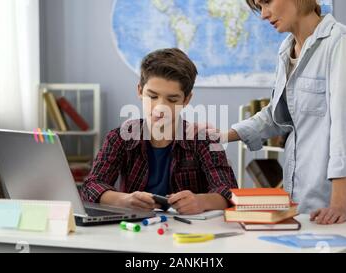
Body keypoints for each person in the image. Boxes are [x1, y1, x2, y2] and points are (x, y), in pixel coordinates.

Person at [217, 0, 346, 225]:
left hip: (326, 202)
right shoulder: (286, 49)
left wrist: (338, 202)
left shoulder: (339, 41)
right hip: (294, 198)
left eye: (267, 2)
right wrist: (223, 135)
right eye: (259, 7)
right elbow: (278, 116)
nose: (263, 15)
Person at [81, 48, 238, 215]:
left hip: (189, 235)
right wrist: (124, 200)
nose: (160, 108)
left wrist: (201, 201)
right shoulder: (120, 138)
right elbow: (91, 186)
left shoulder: (204, 140)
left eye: (172, 99)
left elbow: (230, 193)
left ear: (186, 100)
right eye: (153, 96)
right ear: (140, 91)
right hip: (136, 231)